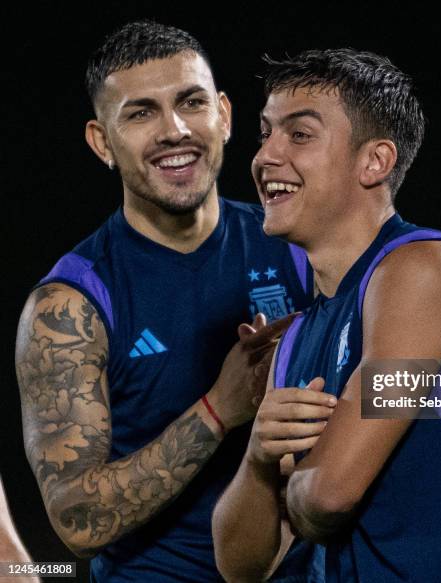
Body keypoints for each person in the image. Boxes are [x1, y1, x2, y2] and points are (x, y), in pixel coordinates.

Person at [212, 49, 441, 581]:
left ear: (375, 161)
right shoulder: (295, 339)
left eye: (299, 135)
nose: (264, 156)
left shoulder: (425, 269)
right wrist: (259, 458)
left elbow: (327, 497)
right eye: (265, 133)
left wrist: (300, 485)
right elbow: (241, 567)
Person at [15, 21, 316, 582]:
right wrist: (220, 409)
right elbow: (77, 523)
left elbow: (394, 384)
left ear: (223, 116)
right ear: (102, 142)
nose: (174, 130)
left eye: (191, 102)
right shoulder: (69, 307)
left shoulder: (296, 245)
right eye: (140, 113)